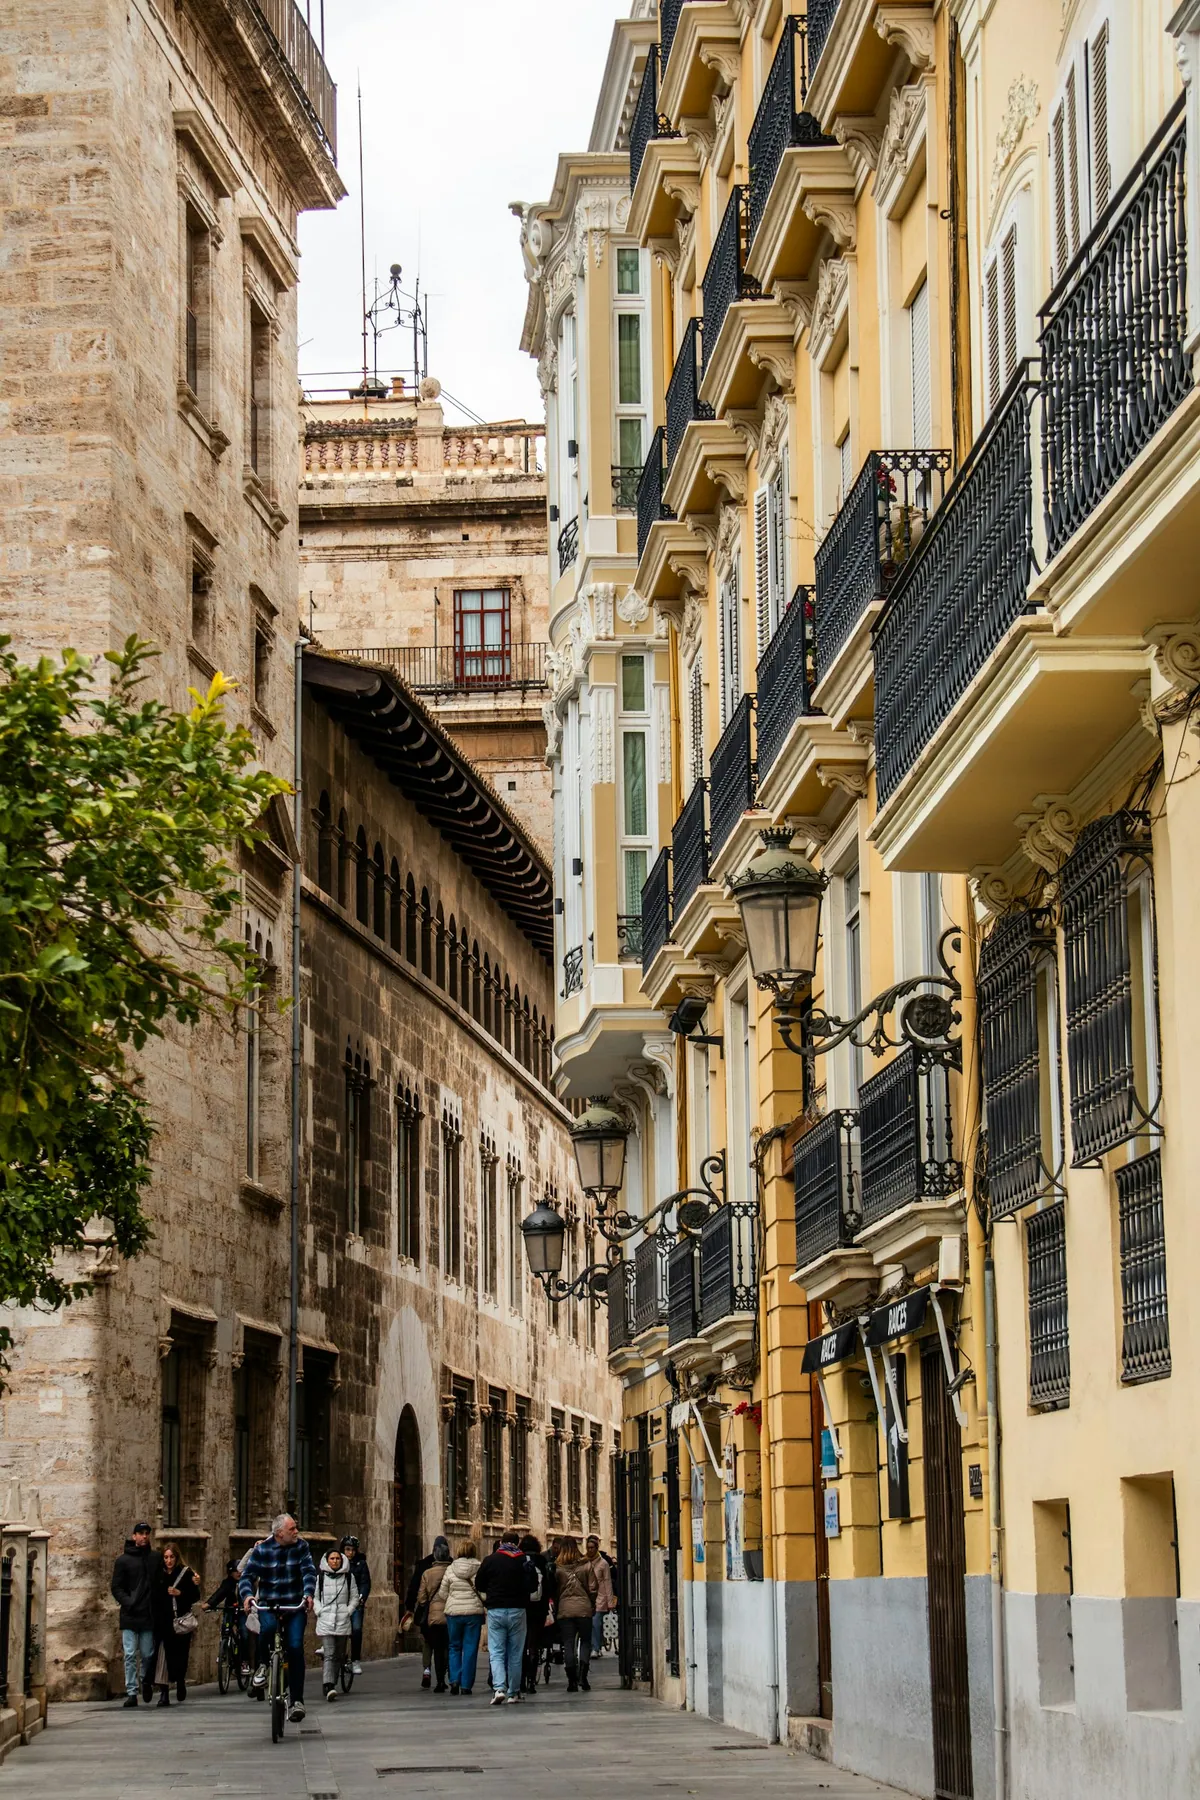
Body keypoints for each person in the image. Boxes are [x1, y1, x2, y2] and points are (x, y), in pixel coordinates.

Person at [239, 1512, 318, 1722]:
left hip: (294, 1605)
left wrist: (308, 1594)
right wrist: (247, 1596)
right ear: (279, 1533)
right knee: (266, 1629)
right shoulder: (262, 1550)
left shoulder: (301, 1547)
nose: (296, 1532)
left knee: (295, 1647)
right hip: (270, 1604)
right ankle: (263, 1666)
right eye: (292, 1529)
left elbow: (309, 1572)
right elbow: (246, 1576)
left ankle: (297, 1701)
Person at [475, 1527, 538, 1705]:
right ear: (518, 1543)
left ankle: (499, 1688)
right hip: (518, 1610)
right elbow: (533, 1586)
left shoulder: (490, 1560)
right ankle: (513, 1692)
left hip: (496, 1610)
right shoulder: (524, 1560)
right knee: (515, 1654)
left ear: (501, 1542)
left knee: (496, 1652)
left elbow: (479, 1584)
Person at [111, 1521, 162, 1707]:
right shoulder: (123, 1561)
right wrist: (128, 1602)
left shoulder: (155, 1558)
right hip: (130, 1614)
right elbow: (116, 1587)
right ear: (134, 1536)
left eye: (147, 1533)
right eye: (141, 1533)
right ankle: (131, 1691)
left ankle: (145, 1680)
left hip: (148, 1614)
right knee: (130, 1654)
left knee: (148, 1653)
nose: (144, 1536)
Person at [149, 1542, 200, 1706]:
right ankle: (164, 1693)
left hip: (180, 1622)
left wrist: (180, 1593)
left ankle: (180, 1681)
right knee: (162, 1657)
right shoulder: (159, 1574)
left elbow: (195, 1596)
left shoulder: (185, 1573)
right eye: (166, 1557)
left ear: (177, 1557)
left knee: (180, 1656)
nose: (168, 1561)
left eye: (171, 1557)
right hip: (163, 1623)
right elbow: (154, 1596)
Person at [402, 1536, 449, 1689]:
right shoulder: (452, 1566)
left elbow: (415, 1589)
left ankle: (427, 1670)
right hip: (449, 1612)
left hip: (428, 1613)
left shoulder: (424, 1566)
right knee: (446, 1644)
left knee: (428, 1642)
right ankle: (443, 1675)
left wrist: (410, 1606)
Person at [552, 1537, 598, 1693]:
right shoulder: (586, 1565)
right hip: (584, 1608)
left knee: (568, 1643)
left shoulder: (557, 1568)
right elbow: (593, 1588)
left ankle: (571, 1681)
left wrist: (558, 1605)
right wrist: (592, 1603)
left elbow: (555, 1591)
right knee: (585, 1642)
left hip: (565, 1610)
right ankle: (583, 1677)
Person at [438, 1540, 484, 1695]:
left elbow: (442, 1593)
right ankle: (466, 1685)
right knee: (470, 1648)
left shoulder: (451, 1568)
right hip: (473, 1613)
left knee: (454, 1646)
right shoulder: (479, 1568)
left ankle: (454, 1680)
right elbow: (483, 1592)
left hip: (453, 1613)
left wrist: (453, 1598)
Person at [315, 1546, 360, 1702]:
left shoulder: (349, 1577)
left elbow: (354, 1597)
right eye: (332, 1559)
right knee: (329, 1654)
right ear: (327, 1561)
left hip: (342, 1620)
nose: (335, 1561)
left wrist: (348, 1611)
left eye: (337, 1559)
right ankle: (329, 1685)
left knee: (339, 1655)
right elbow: (316, 1597)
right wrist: (319, 1610)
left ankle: (331, 1682)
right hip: (326, 1620)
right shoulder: (321, 1578)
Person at [414, 1537, 453, 1693]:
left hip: (433, 1617)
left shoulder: (427, 1573)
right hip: (451, 1614)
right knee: (448, 1646)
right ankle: (451, 1676)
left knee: (436, 1648)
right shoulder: (453, 1571)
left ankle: (439, 1681)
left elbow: (422, 1598)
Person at [203, 1559, 250, 1680]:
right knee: (225, 1628)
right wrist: (209, 1604)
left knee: (244, 1633)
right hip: (230, 1610)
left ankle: (244, 1662)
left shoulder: (246, 1582)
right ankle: (223, 1651)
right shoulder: (228, 1583)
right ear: (230, 1572)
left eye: (240, 1570)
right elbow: (220, 1593)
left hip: (242, 1611)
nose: (238, 1573)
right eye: (235, 1571)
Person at [518, 1534, 549, 1694]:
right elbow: (548, 1585)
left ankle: (521, 1680)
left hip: (522, 1607)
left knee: (521, 1645)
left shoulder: (519, 1559)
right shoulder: (542, 1561)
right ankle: (532, 1682)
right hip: (539, 1609)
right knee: (534, 1645)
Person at [340, 1534, 371, 1674]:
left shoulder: (361, 1564)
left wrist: (362, 1597)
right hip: (339, 1601)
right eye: (347, 1549)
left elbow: (365, 1582)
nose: (350, 1553)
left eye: (353, 1550)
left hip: (355, 1601)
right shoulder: (337, 1561)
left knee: (356, 1629)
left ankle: (355, 1660)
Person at [584, 1536, 615, 1659]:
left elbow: (607, 1582)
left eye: (592, 1547)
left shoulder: (603, 1564)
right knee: (588, 1623)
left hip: (600, 1597)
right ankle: (591, 1645)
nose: (590, 1550)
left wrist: (610, 1602)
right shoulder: (584, 1561)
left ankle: (595, 1648)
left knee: (595, 1622)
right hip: (586, 1597)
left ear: (596, 1548)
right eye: (588, 1548)